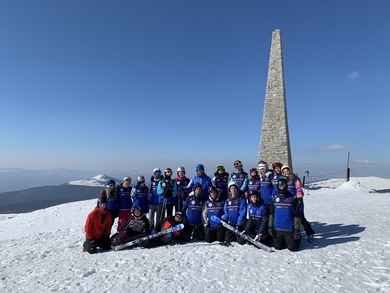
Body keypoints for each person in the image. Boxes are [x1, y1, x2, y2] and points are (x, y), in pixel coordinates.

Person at [281, 165, 315, 242]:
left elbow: (299, 188)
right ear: (283, 173)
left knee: (301, 218)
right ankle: (294, 233)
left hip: (297, 201)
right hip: (288, 202)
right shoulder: (283, 180)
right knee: (291, 219)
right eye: (285, 172)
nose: (286, 173)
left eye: (287, 171)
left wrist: (299, 198)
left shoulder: (295, 179)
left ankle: (310, 233)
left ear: (290, 171)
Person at [269, 178, 301, 251]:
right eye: (280, 186)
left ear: (286, 186)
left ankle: (298, 239)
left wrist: (296, 229)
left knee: (293, 248)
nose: (282, 187)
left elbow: (296, 215)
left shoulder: (292, 198)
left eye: (283, 186)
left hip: (289, 229)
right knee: (277, 247)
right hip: (278, 228)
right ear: (278, 186)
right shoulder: (274, 198)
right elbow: (271, 214)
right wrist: (270, 227)